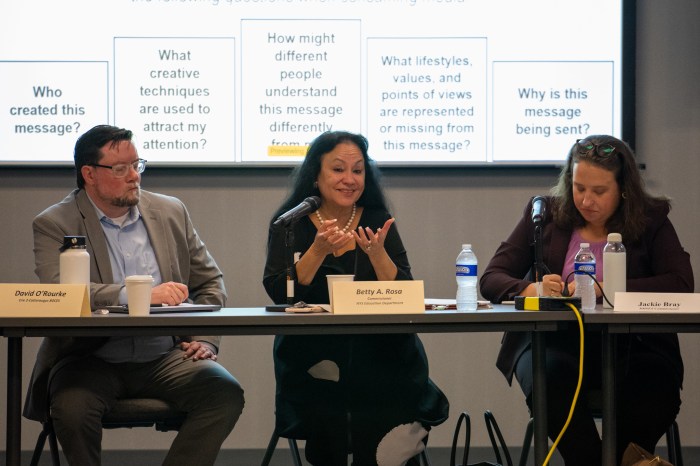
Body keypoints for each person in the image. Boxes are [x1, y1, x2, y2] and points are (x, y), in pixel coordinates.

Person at [24, 125, 245, 466]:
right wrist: (140, 295)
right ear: (89, 174)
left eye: (136, 165)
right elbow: (61, 293)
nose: (133, 177)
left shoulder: (170, 211)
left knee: (224, 393)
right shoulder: (55, 222)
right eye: (120, 168)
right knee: (71, 409)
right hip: (89, 359)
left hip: (163, 356)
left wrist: (204, 339)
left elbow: (210, 282)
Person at [480, 135, 694, 465]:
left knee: (651, 387)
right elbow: (492, 277)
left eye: (599, 191)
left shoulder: (651, 219)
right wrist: (530, 290)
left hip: (636, 346)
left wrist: (607, 288)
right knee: (550, 381)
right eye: (579, 188)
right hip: (555, 344)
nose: (586, 200)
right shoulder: (545, 214)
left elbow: (681, 283)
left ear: (623, 189)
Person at [263, 131, 449, 466]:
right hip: (316, 350)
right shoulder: (291, 223)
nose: (349, 179)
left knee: (386, 387)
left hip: (381, 349)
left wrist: (378, 254)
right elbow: (281, 293)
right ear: (316, 176)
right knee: (334, 390)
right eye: (338, 169)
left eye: (358, 170)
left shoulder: (377, 219)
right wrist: (317, 251)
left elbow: (405, 290)